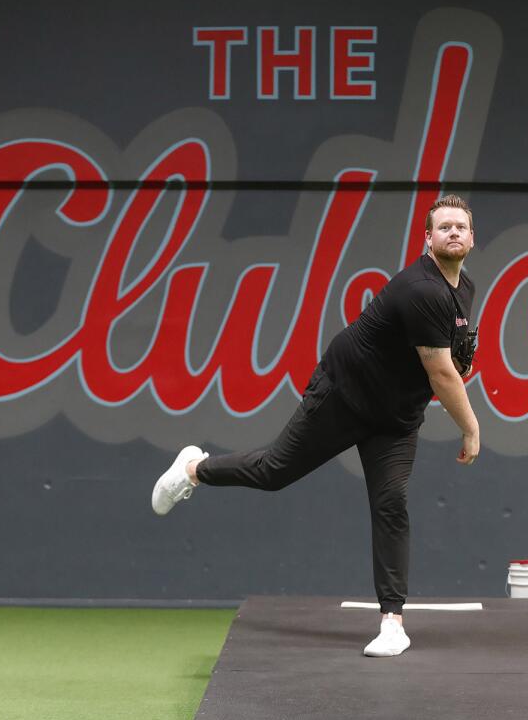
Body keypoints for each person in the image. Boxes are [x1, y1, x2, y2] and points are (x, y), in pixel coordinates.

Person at [151, 194, 480, 657]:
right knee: (273, 472)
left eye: (460, 227)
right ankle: (193, 470)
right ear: (426, 239)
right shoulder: (421, 288)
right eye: (443, 227)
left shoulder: (464, 289)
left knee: (391, 504)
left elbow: (450, 357)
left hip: (396, 417)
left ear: (471, 237)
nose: (453, 233)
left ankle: (392, 622)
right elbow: (442, 373)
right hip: (344, 396)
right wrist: (470, 427)